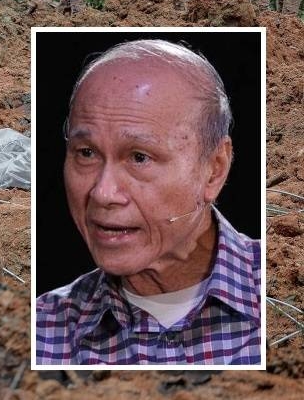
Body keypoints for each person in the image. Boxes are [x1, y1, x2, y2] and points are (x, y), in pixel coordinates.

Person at [35, 39, 261, 365]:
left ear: (214, 170)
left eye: (139, 158)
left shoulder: (282, 295)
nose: (103, 193)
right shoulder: (43, 332)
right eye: (86, 153)